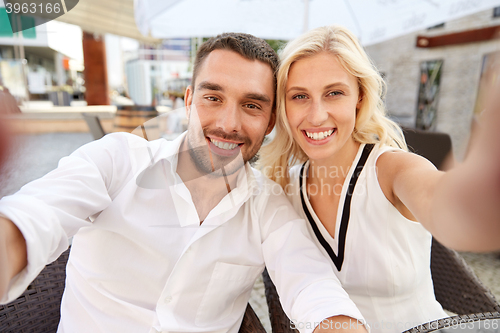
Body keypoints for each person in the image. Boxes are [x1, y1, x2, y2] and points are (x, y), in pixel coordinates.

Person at [0, 33, 367, 333]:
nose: (229, 123)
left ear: (271, 122)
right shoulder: (117, 161)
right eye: (213, 97)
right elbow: (37, 214)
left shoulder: (268, 207)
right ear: (189, 101)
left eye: (252, 105)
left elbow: (313, 287)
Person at [259, 25, 450, 333]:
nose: (317, 115)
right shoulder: (284, 188)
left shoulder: (392, 169)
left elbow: (441, 199)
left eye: (334, 93)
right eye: (299, 96)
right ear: (283, 107)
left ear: (360, 96)